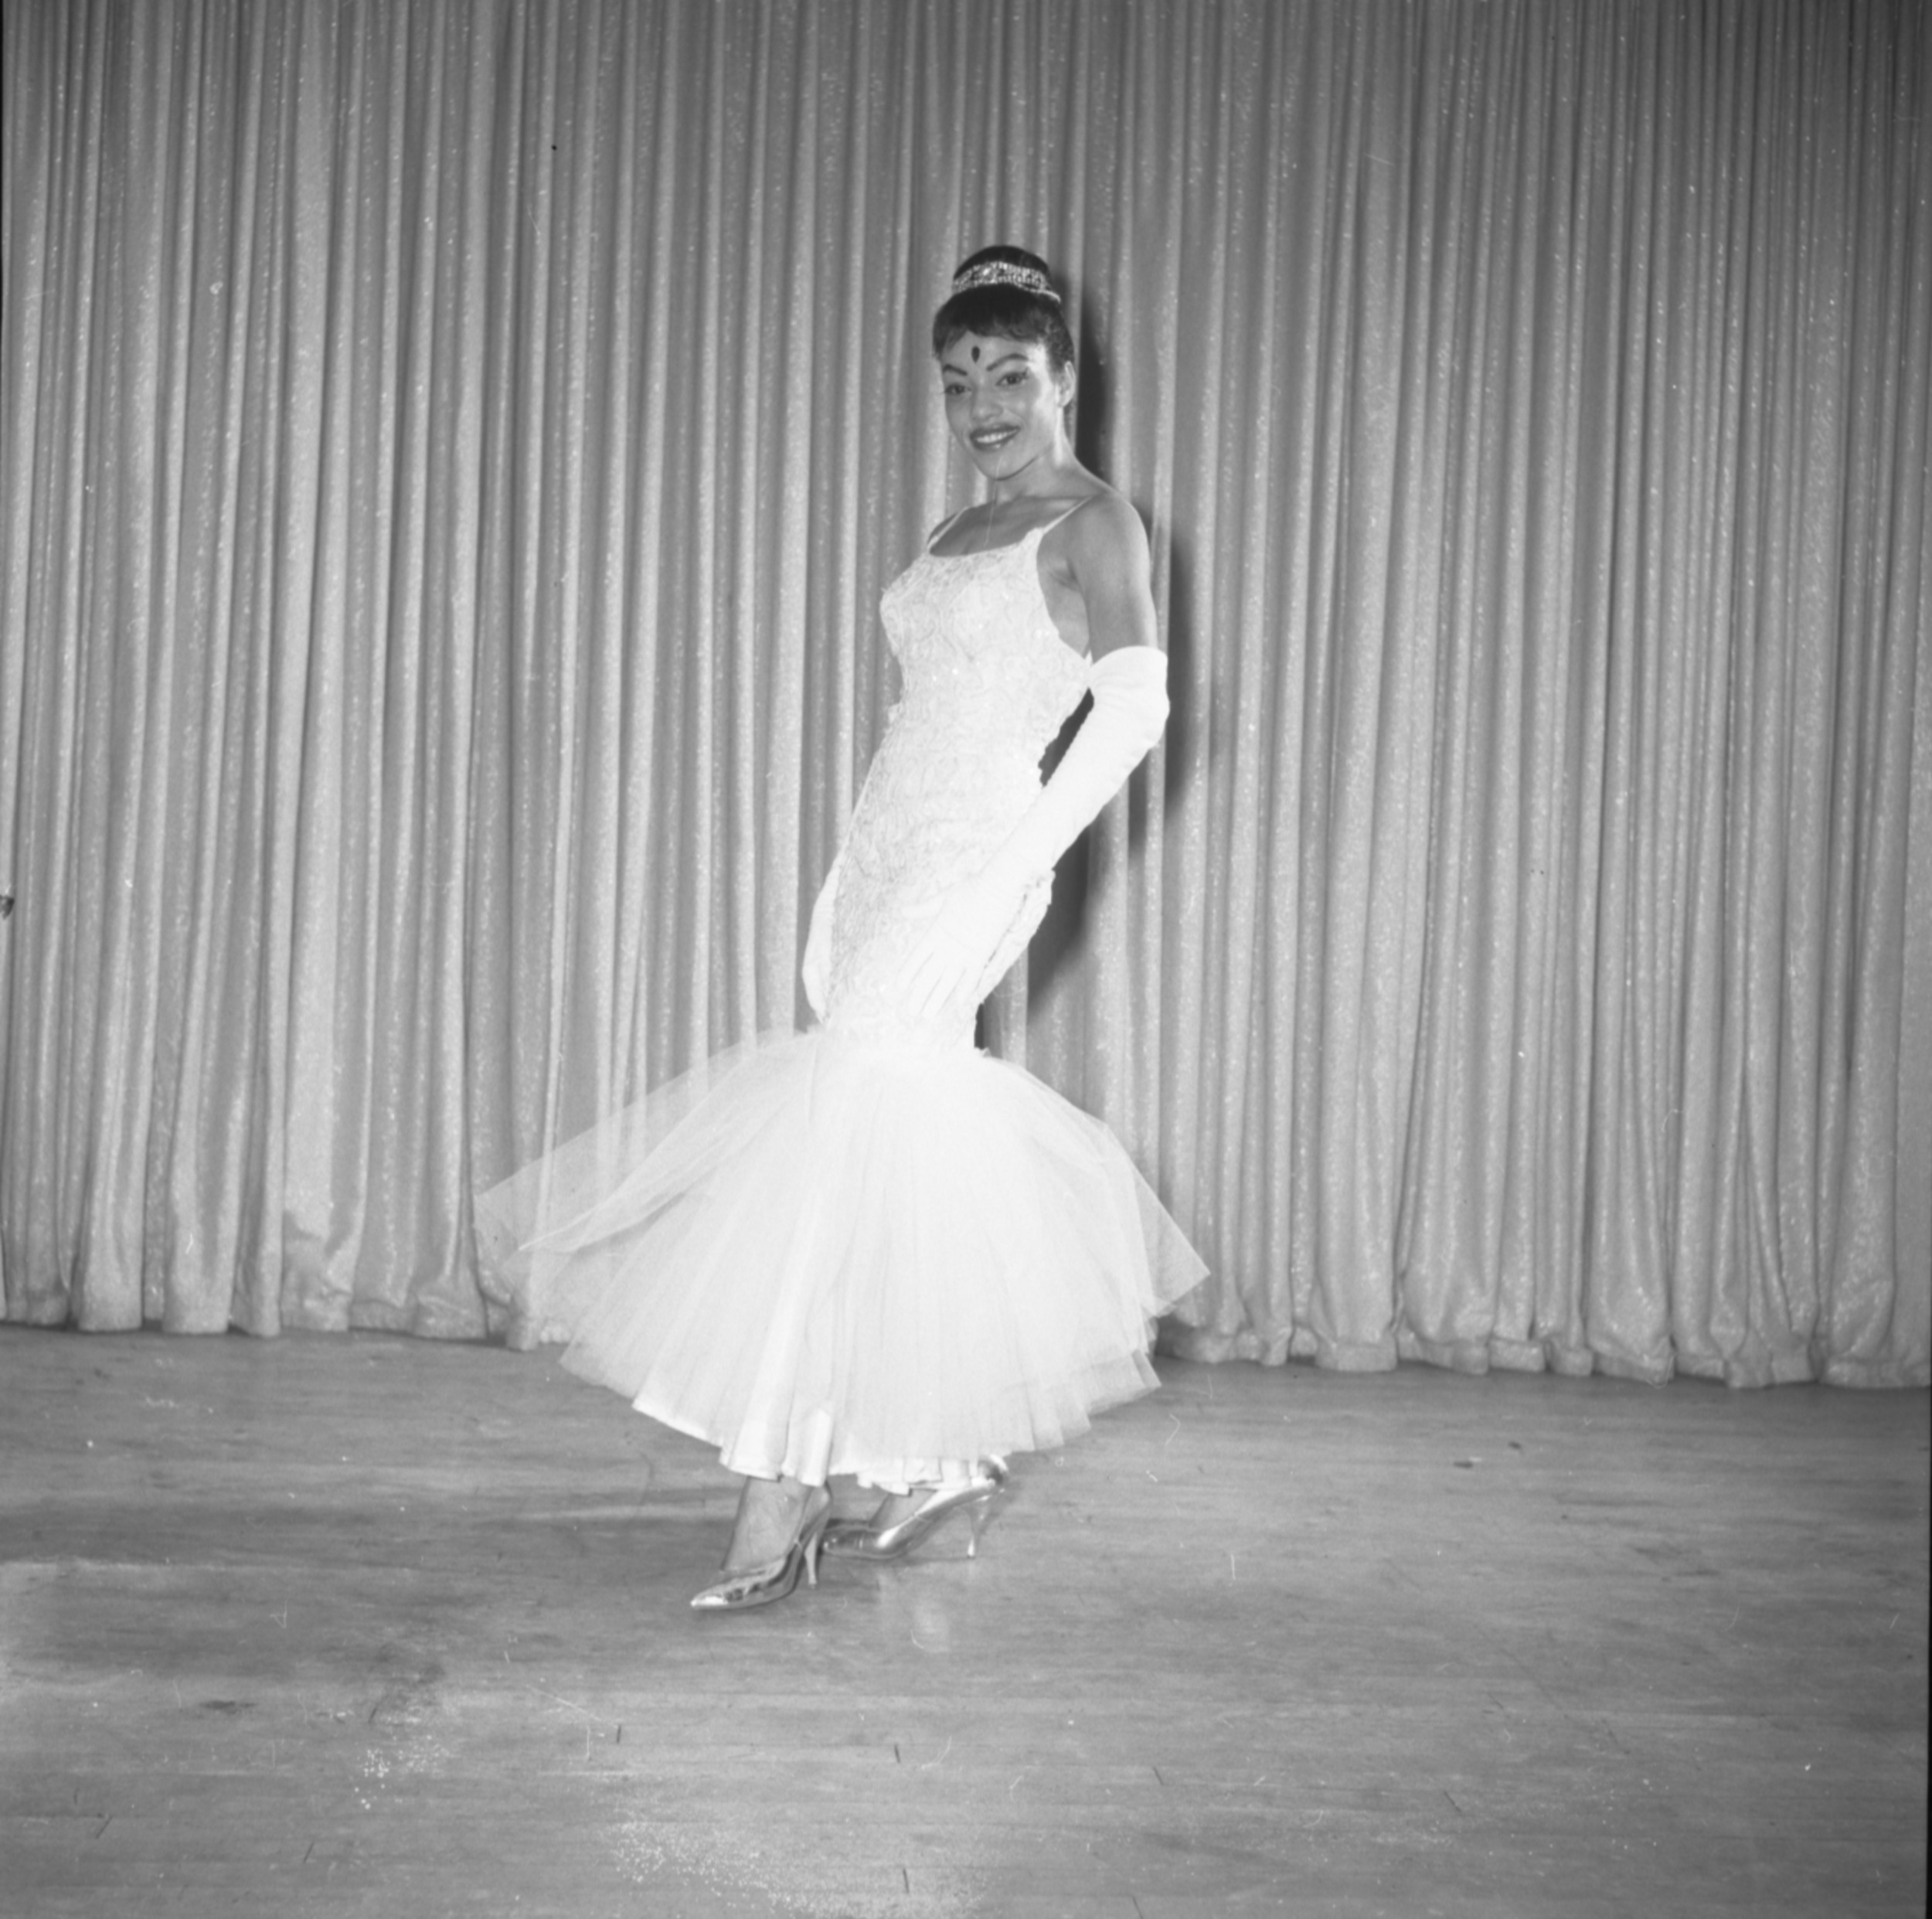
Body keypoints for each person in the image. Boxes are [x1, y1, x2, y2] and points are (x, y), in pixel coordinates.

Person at [478, 245, 1205, 1611]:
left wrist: (1016, 864)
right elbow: (911, 724)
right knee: (868, 1128)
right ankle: (937, 1450)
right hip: (890, 857)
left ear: (1066, 378)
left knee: (841, 1131)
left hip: (984, 853)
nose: (982, 404)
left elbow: (1136, 710)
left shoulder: (1097, 524)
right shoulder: (950, 537)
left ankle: (788, 1477)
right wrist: (843, 877)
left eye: (1009, 374)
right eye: (957, 381)